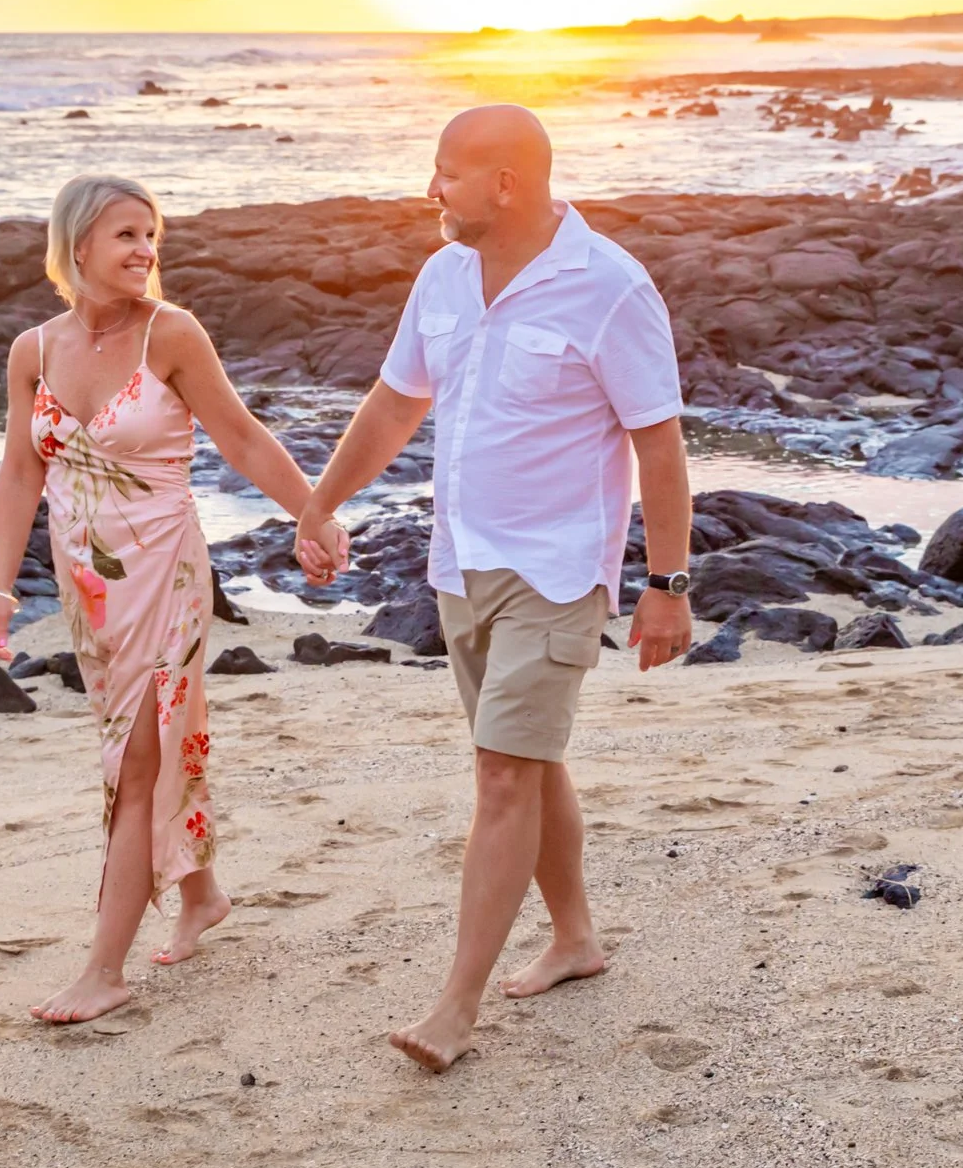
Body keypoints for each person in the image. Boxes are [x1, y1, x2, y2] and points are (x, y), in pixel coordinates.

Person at [296, 105, 696, 1073]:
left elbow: (658, 440)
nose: (430, 189)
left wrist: (667, 583)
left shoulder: (609, 288)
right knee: (525, 758)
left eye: (446, 172)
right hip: (459, 565)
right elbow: (396, 403)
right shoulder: (440, 278)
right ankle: (575, 938)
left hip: (557, 574)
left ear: (504, 184)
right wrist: (319, 503)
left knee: (503, 771)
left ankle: (454, 1006)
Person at [0, 174, 324, 1026]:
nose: (146, 251)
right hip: (88, 586)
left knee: (134, 760)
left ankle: (104, 967)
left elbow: (240, 433)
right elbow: (22, 470)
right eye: (128, 234)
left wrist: (313, 511)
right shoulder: (34, 349)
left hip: (164, 573)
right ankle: (200, 892)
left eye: (152, 235)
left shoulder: (171, 333)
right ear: (79, 244)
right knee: (153, 742)